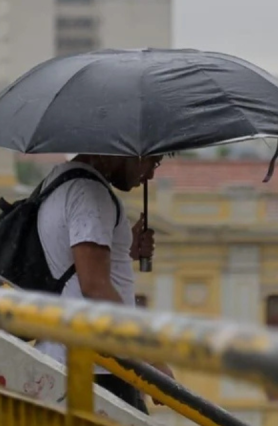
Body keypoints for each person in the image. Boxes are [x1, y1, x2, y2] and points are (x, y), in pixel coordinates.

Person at [36, 153, 174, 413]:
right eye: (150, 161)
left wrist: (123, 250)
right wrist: (154, 362)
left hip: (62, 356)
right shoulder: (91, 195)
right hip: (97, 367)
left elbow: (71, 265)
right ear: (123, 151)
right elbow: (95, 288)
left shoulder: (59, 179)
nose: (151, 174)